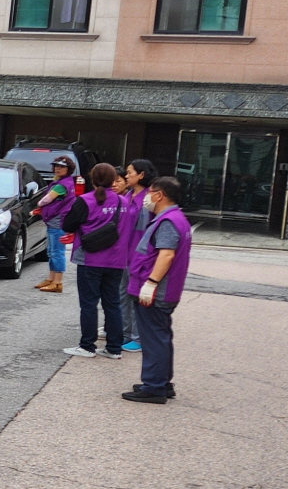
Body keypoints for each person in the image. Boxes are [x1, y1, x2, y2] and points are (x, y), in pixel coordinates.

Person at [123, 177, 193, 404]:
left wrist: (151, 283)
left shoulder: (168, 221)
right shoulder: (175, 219)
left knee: (153, 338)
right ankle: (161, 382)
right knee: (160, 336)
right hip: (164, 289)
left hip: (156, 291)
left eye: (150, 192)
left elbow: (166, 254)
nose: (146, 197)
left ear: (159, 195)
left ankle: (154, 386)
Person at [62, 162, 130, 360]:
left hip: (90, 258)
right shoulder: (123, 202)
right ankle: (114, 348)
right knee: (113, 303)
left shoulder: (85, 201)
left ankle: (87, 346)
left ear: (92, 179)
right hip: (117, 260)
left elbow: (68, 224)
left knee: (89, 304)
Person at [119, 159, 157, 353]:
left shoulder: (149, 198)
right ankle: (124, 334)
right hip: (123, 253)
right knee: (122, 294)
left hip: (140, 254)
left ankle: (138, 337)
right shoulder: (128, 194)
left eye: (130, 172)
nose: (127, 176)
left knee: (135, 295)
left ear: (141, 174)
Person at [32, 157, 81, 294]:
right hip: (54, 220)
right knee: (52, 251)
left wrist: (39, 204)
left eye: (62, 167)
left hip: (57, 221)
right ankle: (51, 278)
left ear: (68, 169)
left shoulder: (61, 185)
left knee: (57, 252)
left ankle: (57, 282)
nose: (58, 168)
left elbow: (47, 199)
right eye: (56, 166)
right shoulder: (62, 181)